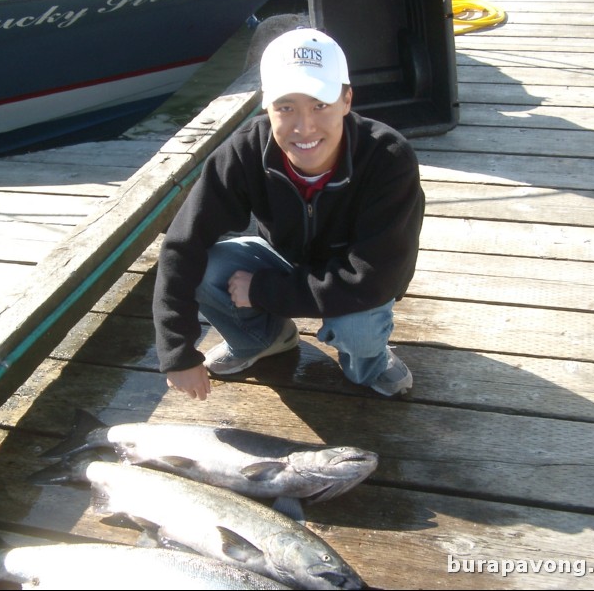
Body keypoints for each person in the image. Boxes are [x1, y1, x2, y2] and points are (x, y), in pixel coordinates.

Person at [152, 27, 425, 401]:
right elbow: (182, 245)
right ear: (266, 105)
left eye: (320, 104)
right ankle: (265, 340)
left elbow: (374, 279)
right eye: (286, 107)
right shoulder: (244, 151)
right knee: (208, 267)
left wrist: (263, 290)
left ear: (347, 99)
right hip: (284, 256)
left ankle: (369, 364)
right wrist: (176, 353)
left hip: (357, 275)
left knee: (358, 327)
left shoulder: (388, 158)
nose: (304, 126)